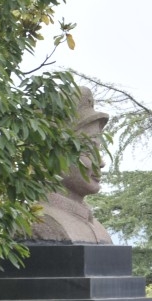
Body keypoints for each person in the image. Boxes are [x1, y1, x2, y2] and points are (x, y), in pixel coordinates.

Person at [30, 86, 113, 243]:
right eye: (88, 150)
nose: (101, 163)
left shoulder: (97, 228)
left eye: (98, 150)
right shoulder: (42, 221)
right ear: (52, 154)